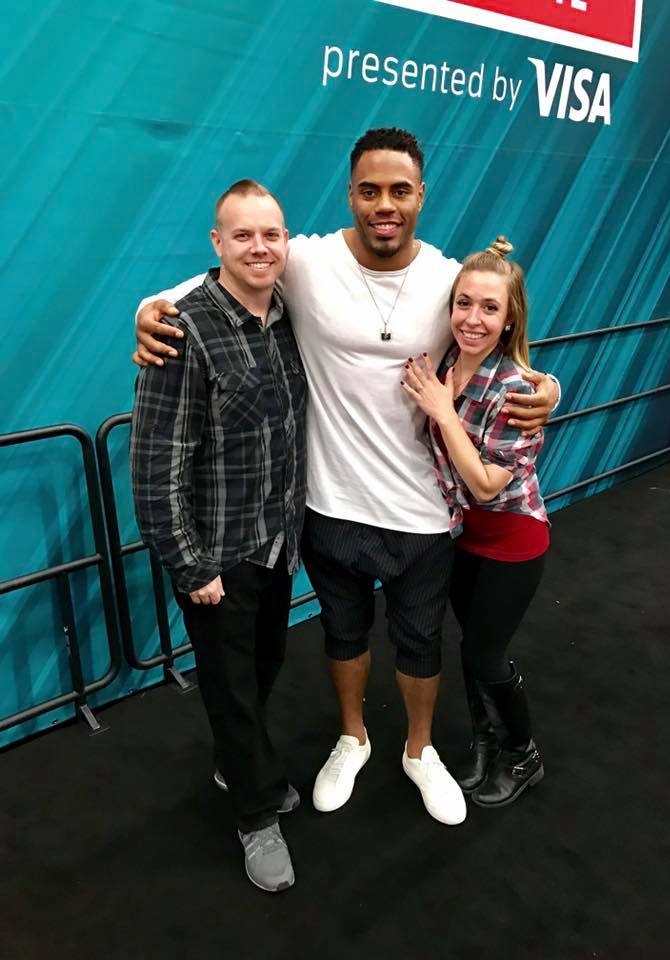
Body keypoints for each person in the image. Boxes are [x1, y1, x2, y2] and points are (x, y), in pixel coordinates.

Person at [133, 128, 560, 826]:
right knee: (343, 634)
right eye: (370, 190)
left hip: (421, 509)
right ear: (351, 196)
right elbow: (203, 286)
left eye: (399, 190)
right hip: (329, 504)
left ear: (421, 196)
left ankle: (421, 751)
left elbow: (495, 330)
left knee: (421, 642)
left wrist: (549, 386)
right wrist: (145, 310)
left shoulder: (446, 278)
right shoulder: (305, 260)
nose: (384, 204)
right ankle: (352, 739)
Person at [130, 180, 306, 892]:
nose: (259, 247)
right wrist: (190, 564)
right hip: (217, 558)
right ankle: (255, 816)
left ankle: (238, 764)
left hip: (276, 542)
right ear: (217, 243)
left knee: (262, 668)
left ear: (285, 239)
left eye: (271, 234)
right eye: (243, 235)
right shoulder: (183, 330)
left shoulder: (289, 316)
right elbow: (155, 464)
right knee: (231, 689)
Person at [401, 237, 548, 809]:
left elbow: (487, 485)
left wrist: (443, 412)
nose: (473, 318)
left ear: (510, 319)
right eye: (464, 303)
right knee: (471, 650)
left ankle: (524, 755)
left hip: (513, 539)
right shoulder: (444, 365)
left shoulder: (516, 388)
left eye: (490, 308)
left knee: (487, 653)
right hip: (465, 538)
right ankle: (486, 745)